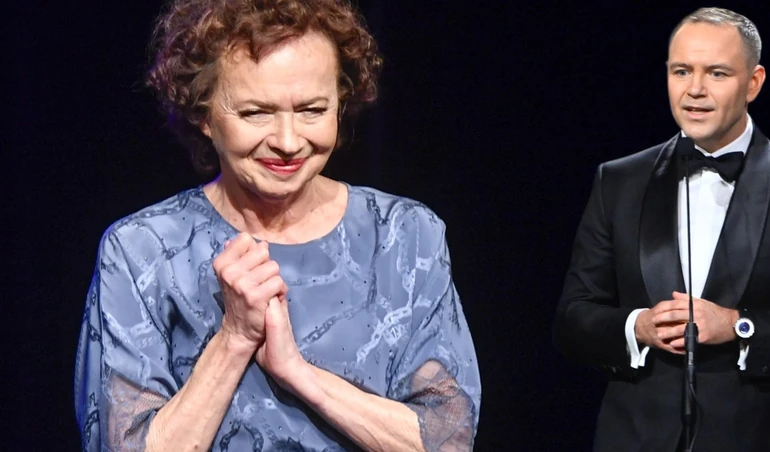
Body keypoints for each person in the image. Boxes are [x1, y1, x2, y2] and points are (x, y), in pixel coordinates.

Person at [73, 1, 481, 450]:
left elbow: (447, 441)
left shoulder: (405, 237)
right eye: (255, 113)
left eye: (312, 110)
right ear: (203, 114)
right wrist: (234, 339)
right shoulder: (142, 252)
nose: (288, 142)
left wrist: (299, 374)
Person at [554, 7, 770, 452]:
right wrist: (638, 327)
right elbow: (573, 318)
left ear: (754, 82)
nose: (695, 90)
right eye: (682, 71)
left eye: (717, 73)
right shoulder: (618, 181)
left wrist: (739, 325)